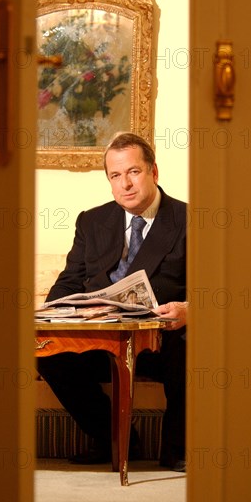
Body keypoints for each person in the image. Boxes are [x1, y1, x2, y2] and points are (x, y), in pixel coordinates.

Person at [37, 132, 187, 472]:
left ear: (154, 172)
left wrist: (189, 309)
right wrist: (53, 314)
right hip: (101, 338)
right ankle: (114, 438)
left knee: (191, 346)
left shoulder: (188, 219)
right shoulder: (92, 220)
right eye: (115, 176)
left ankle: (176, 449)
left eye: (134, 172)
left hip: (160, 342)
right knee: (49, 355)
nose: (126, 184)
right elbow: (69, 282)